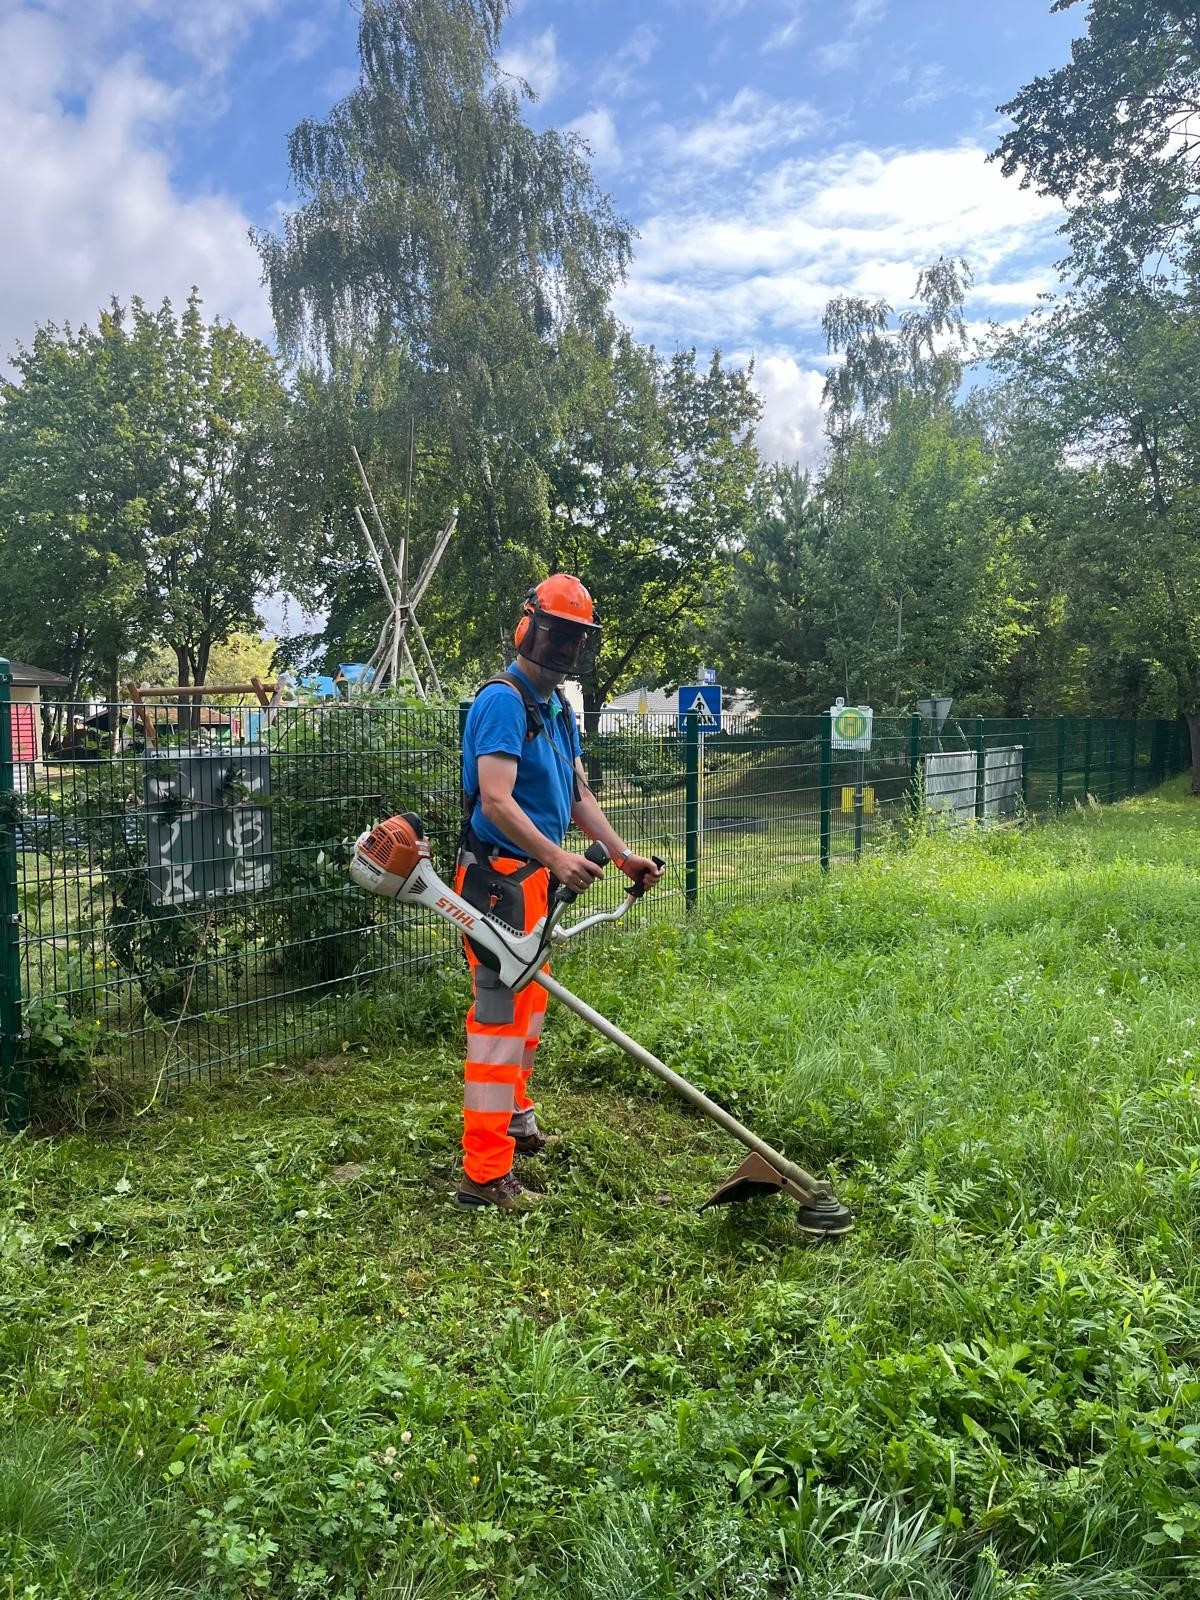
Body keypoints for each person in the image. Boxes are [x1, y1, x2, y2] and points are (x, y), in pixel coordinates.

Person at [454, 575, 664, 1210]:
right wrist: (555, 855)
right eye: (556, 631)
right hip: (497, 878)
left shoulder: (560, 711)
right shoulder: (503, 702)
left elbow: (577, 798)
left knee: (530, 1009)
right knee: (496, 1019)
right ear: (528, 627)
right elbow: (494, 799)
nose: (565, 646)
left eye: (577, 637)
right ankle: (485, 1174)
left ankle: (513, 1114)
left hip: (537, 883)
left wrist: (622, 855)